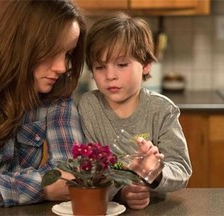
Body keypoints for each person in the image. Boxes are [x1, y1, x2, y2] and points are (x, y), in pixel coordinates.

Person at [0, 0, 86, 209]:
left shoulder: (57, 91)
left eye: (67, 54)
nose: (62, 67)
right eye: (51, 51)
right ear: (21, 44)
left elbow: (70, 175)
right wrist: (42, 187)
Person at [78, 12, 192, 210]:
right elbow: (86, 170)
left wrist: (155, 173)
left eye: (122, 64)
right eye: (100, 67)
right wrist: (121, 193)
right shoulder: (89, 107)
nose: (110, 76)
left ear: (147, 65)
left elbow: (181, 170)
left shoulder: (162, 110)